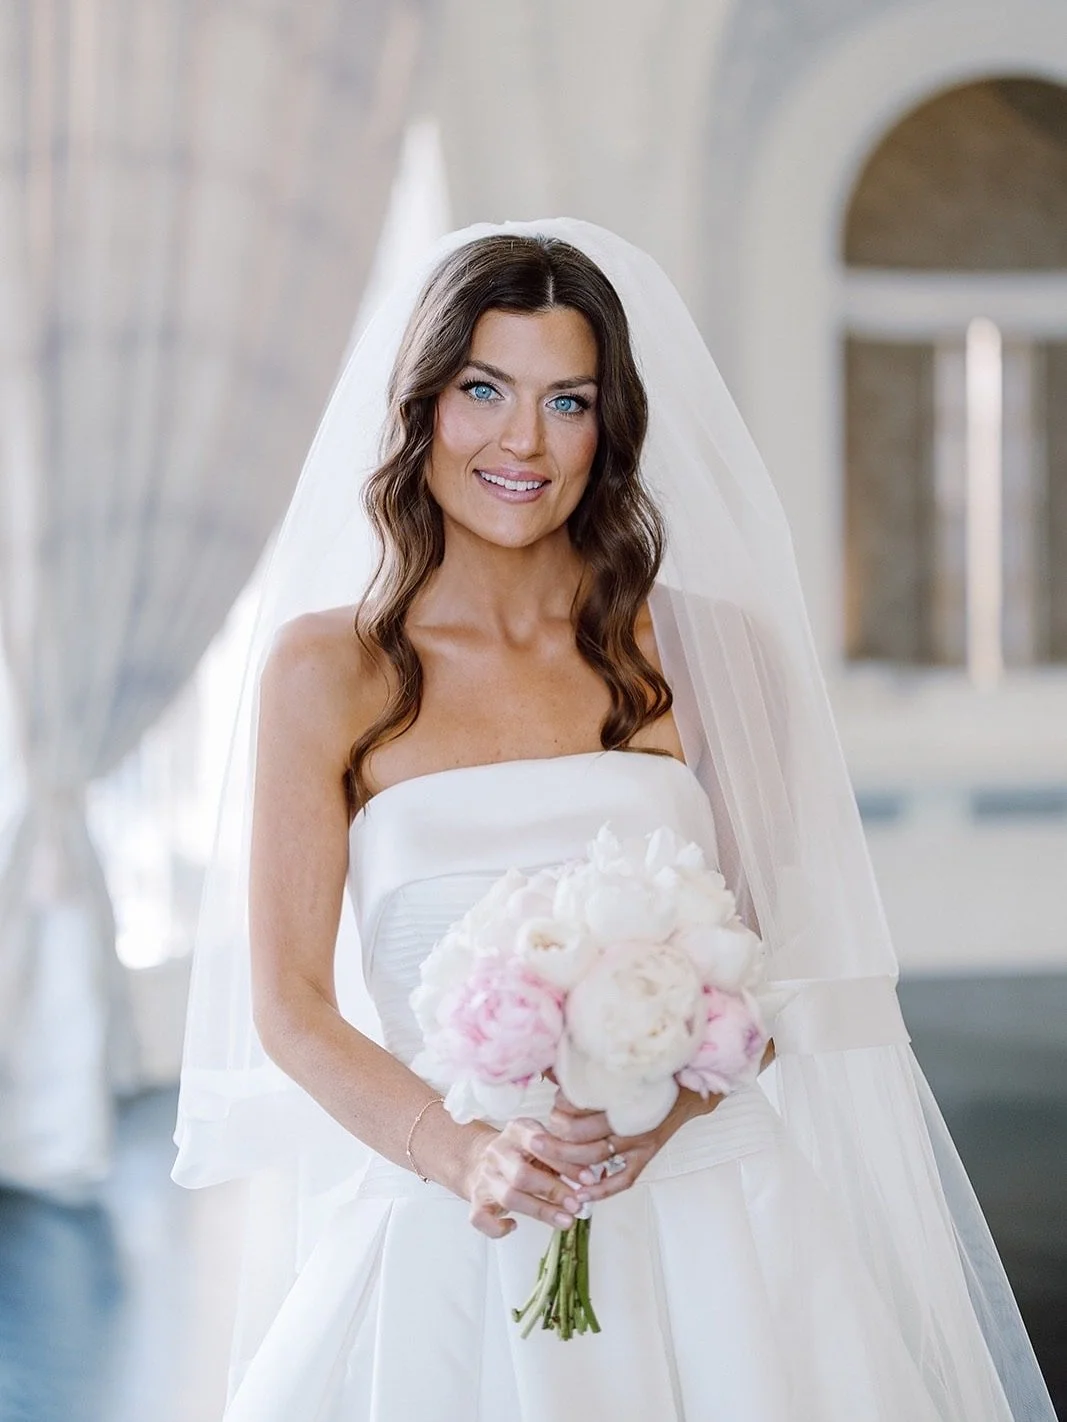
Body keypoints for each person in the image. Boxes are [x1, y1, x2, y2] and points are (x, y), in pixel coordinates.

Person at [172, 221, 1055, 1422]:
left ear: (610, 426)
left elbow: (776, 964)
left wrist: (660, 1115)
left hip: (712, 1213)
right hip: (454, 1225)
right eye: (483, 389)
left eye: (567, 401)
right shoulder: (326, 670)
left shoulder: (710, 651)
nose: (522, 442)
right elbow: (289, 1005)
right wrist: (462, 1154)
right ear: (421, 405)